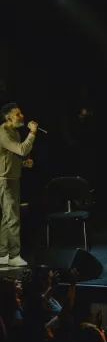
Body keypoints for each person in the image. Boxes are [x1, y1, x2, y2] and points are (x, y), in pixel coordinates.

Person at [0, 103, 38, 267]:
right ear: (8, 117)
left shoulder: (14, 131)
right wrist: (32, 134)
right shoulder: (3, 131)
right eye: (18, 114)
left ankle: (3, 254)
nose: (22, 116)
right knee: (13, 217)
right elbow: (22, 150)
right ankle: (14, 254)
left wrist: (23, 164)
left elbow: (11, 157)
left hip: (12, 178)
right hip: (5, 180)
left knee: (7, 218)